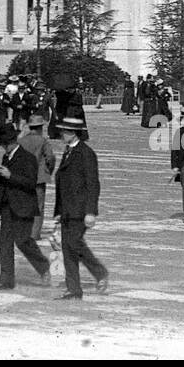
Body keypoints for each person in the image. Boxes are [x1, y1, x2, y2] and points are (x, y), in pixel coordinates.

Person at [0, 123, 51, 290]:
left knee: (23, 241)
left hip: (24, 205)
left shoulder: (27, 158)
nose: (3, 149)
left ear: (11, 143)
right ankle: (6, 280)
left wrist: (10, 175)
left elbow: (30, 183)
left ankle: (44, 267)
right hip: (7, 205)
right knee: (5, 243)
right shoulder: (6, 157)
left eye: (4, 145)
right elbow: (3, 182)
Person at [52, 116, 108, 298]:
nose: (63, 134)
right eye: (63, 131)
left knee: (74, 244)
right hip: (68, 210)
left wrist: (91, 212)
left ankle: (99, 272)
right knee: (68, 249)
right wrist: (59, 211)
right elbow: (63, 183)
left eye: (66, 131)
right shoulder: (68, 151)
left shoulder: (86, 153)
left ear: (74, 133)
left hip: (80, 209)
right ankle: (74, 290)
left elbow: (93, 184)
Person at [19, 114, 57, 239]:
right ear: (40, 127)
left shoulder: (21, 141)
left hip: (24, 177)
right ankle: (34, 234)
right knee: (38, 207)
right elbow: (50, 158)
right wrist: (48, 171)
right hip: (39, 178)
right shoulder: (43, 141)